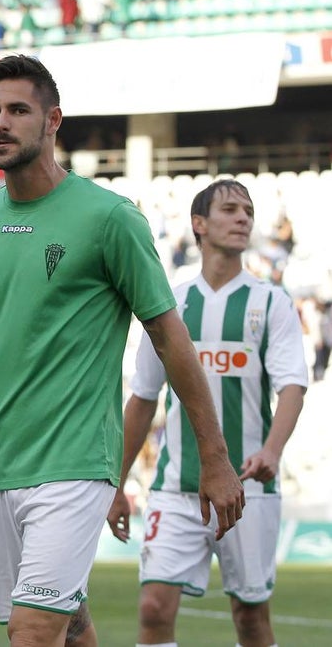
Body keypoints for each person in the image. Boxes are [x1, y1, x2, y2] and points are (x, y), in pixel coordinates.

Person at [0, 55, 245, 647]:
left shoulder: (110, 218)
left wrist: (215, 456)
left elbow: (169, 337)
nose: (0, 122)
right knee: (71, 628)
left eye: (18, 110)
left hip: (76, 462)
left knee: (32, 633)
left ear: (53, 121)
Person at [107, 179, 308, 647]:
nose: (243, 218)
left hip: (248, 487)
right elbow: (143, 398)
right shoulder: (170, 304)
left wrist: (272, 451)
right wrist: (116, 482)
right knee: (153, 609)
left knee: (250, 618)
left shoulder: (270, 301)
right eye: (230, 209)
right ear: (198, 223)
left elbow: (292, 387)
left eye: (248, 211)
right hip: (175, 488)